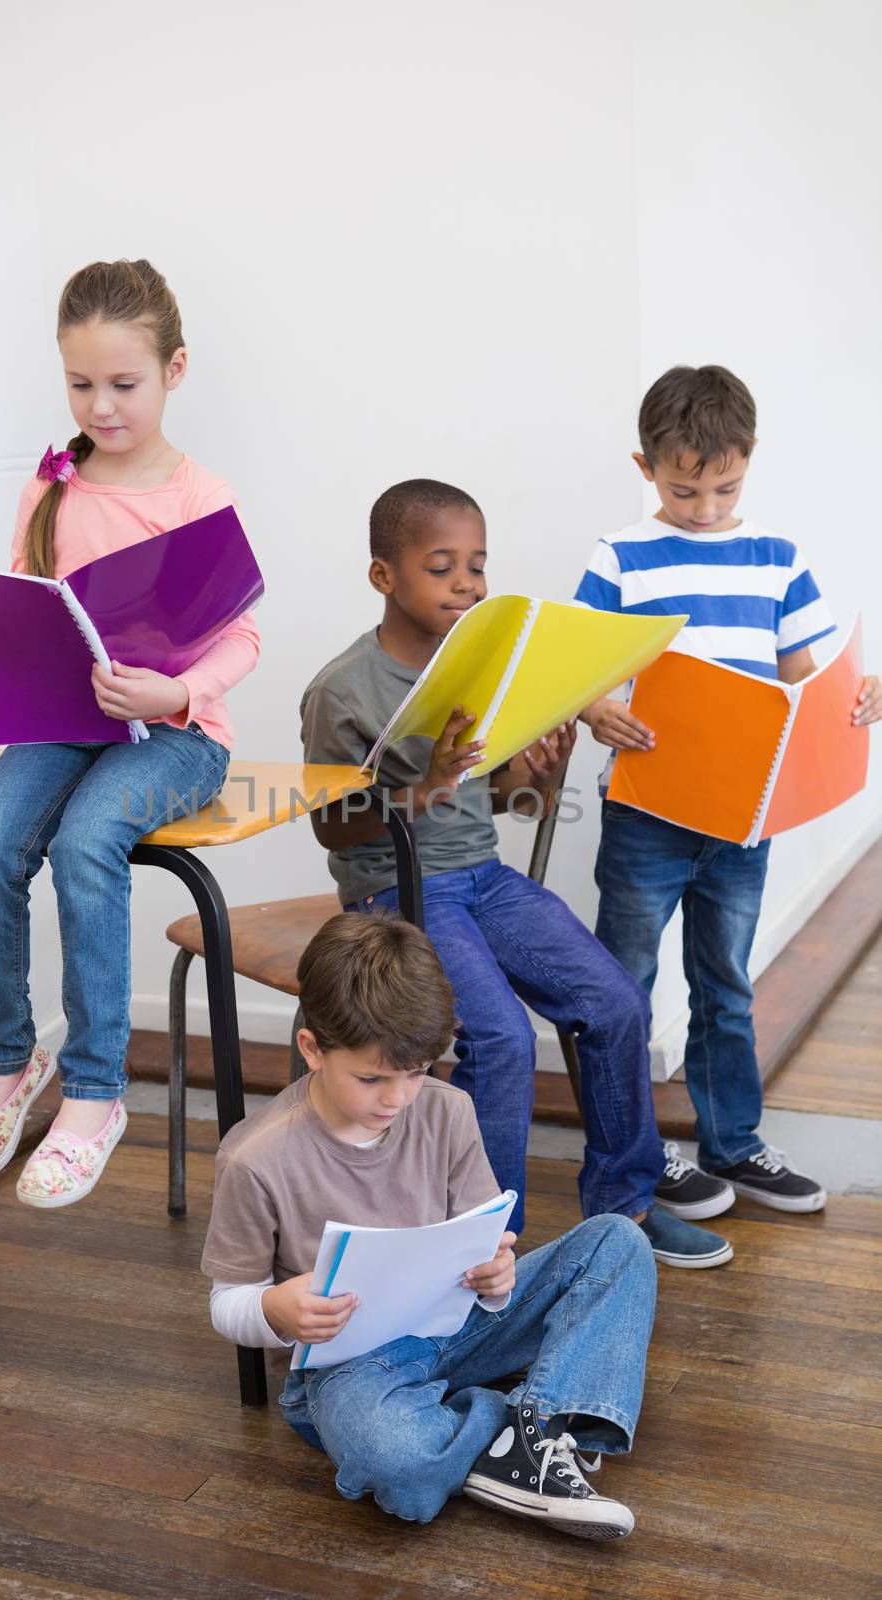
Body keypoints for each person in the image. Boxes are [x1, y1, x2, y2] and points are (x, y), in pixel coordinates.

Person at [299, 478, 732, 1266]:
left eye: (476, 565)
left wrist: (538, 770)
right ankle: (484, 1245)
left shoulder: (480, 666)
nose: (466, 584)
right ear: (383, 576)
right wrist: (421, 788)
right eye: (441, 566)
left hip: (482, 878)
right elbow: (330, 823)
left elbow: (505, 803)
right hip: (390, 891)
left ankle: (623, 1213)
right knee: (498, 1037)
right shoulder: (342, 688)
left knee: (613, 1003)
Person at [0, 258, 259, 1207]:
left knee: (84, 839)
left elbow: (242, 636)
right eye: (79, 384)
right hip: (66, 727)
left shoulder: (197, 493)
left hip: (178, 736)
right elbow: (22, 605)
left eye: (122, 384)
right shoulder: (52, 483)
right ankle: (11, 1063)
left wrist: (173, 694)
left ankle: (98, 1089)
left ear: (174, 370)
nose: (99, 406)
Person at [202, 912, 656, 1537]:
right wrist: (276, 1311)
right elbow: (229, 1302)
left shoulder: (447, 1110)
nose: (397, 1098)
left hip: (459, 1323)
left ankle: (509, 1438)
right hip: (349, 1369)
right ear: (313, 1049)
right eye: (372, 1078)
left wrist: (497, 1275)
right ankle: (537, 1425)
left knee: (618, 1242)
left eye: (416, 1072)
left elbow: (479, 1246)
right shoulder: (254, 1159)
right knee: (393, 1455)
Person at [576, 364, 880, 1213]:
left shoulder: (777, 558)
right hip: (646, 810)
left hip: (744, 817)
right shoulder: (621, 555)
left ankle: (734, 1145)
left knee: (726, 984)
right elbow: (582, 674)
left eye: (723, 488)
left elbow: (801, 686)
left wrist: (857, 696)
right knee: (623, 985)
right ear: (645, 468)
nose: (703, 508)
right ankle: (634, 1157)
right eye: (682, 490)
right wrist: (598, 710)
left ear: (748, 461)